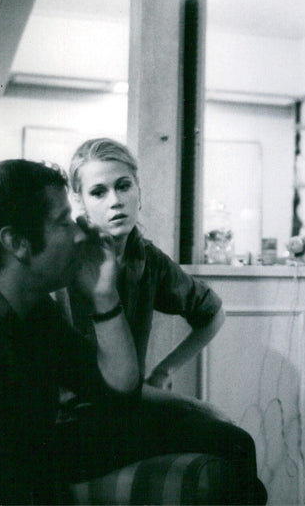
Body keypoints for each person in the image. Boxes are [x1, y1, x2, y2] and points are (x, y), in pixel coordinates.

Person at [54, 137, 267, 504]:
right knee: (228, 440)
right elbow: (90, 388)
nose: (115, 201)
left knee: (236, 445)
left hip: (126, 412)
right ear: (80, 203)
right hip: (70, 426)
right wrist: (192, 405)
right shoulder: (66, 261)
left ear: (139, 191)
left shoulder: (144, 257)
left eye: (123, 186)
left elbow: (212, 313)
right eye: (98, 192)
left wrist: (165, 371)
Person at [0, 159, 139, 504]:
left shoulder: (34, 312)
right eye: (63, 220)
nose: (81, 232)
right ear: (17, 242)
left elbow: (117, 390)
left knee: (209, 433)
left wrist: (104, 297)